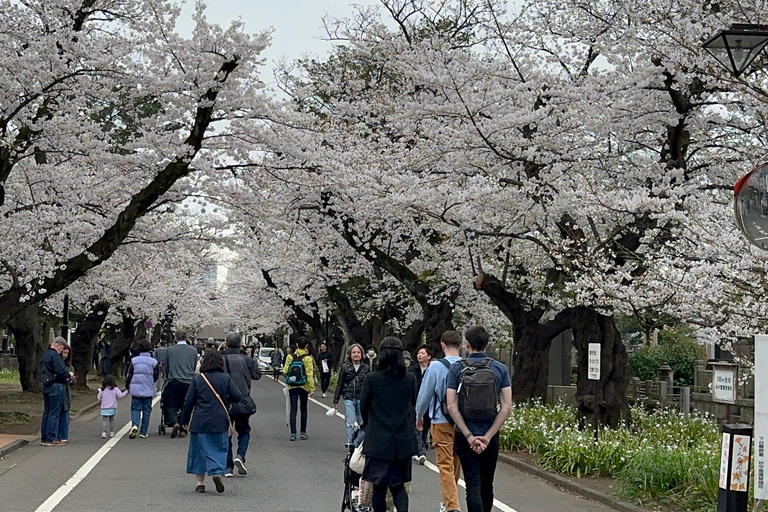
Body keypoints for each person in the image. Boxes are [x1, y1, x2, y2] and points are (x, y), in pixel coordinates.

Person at [446, 326, 512, 512]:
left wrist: (468, 436)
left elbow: (451, 405)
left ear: (467, 345)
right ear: (487, 344)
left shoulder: (457, 368)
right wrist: (489, 436)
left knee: (473, 483)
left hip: (464, 433)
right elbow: (506, 406)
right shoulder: (500, 369)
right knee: (487, 483)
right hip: (490, 434)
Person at [360, 337, 418, 512]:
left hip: (378, 439)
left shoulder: (372, 378)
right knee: (399, 486)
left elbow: (364, 407)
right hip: (402, 440)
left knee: (379, 486)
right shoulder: (410, 379)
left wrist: (369, 424)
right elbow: (412, 404)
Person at [181, 350, 243, 494]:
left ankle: (200, 483)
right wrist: (226, 400)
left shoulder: (198, 379)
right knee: (218, 447)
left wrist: (184, 420)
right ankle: (215, 472)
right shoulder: (225, 378)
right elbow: (237, 396)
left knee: (198, 451)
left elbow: (188, 401)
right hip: (220, 419)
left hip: (199, 420)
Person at [415, 332, 463, 512]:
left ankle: (452, 507)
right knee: (455, 462)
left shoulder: (435, 367)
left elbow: (424, 395)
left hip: (440, 419)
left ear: (442, 345)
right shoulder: (466, 365)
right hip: (463, 422)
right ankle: (448, 501)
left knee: (444, 464)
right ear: (460, 345)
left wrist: (419, 416)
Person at [222, 332, 261, 478]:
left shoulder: (220, 359)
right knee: (244, 431)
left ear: (226, 344)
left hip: (224, 401)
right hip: (242, 400)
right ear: (240, 344)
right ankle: (240, 455)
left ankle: (228, 467)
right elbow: (257, 375)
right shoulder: (247, 360)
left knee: (226, 433)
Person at [162, 331, 199, 438]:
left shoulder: (170, 350)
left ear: (175, 338)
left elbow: (167, 366)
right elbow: (193, 366)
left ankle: (174, 422)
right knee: (186, 405)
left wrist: (168, 377)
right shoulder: (193, 350)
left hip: (174, 380)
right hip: (188, 382)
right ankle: (183, 429)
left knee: (170, 403)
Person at [333, 343, 368, 446]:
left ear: (362, 354)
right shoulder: (345, 367)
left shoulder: (365, 368)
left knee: (363, 421)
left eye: (358, 352)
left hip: (362, 398)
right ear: (350, 354)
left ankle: (361, 441)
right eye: (353, 352)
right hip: (348, 397)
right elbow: (340, 383)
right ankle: (350, 442)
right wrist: (336, 399)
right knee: (350, 421)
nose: (356, 354)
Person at [40, 337, 73, 447]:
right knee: (54, 413)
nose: (62, 351)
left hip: (46, 385)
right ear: (59, 345)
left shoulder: (46, 354)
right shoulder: (55, 356)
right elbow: (61, 370)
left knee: (47, 412)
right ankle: (52, 438)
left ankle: (44, 437)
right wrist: (69, 375)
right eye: (62, 348)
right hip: (56, 385)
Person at [125, 339, 159, 439]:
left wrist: (127, 385)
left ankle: (135, 425)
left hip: (136, 389)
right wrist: (151, 382)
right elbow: (156, 374)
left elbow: (129, 374)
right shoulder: (154, 362)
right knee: (147, 410)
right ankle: (143, 432)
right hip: (148, 388)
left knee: (135, 408)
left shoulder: (134, 360)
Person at [283, 337, 315, 441]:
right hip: (304, 386)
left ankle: (293, 433)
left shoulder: (290, 357)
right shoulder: (308, 358)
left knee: (293, 409)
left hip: (292, 386)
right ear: (306, 346)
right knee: (304, 409)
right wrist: (311, 388)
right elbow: (310, 374)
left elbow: (285, 371)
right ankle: (303, 432)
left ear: (296, 345)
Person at [409, 345, 432, 464]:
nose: (420, 355)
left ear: (429, 356)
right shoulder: (412, 370)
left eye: (423, 353)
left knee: (425, 426)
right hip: (414, 402)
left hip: (428, 403)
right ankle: (420, 452)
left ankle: (420, 447)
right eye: (418, 353)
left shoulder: (432, 370)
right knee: (416, 427)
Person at [58, 345, 76, 444]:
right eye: (63, 353)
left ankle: (63, 435)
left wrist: (72, 379)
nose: (65, 355)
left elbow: (73, 383)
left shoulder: (70, 366)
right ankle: (56, 435)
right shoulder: (57, 364)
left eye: (67, 353)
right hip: (58, 389)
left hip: (66, 391)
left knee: (65, 412)